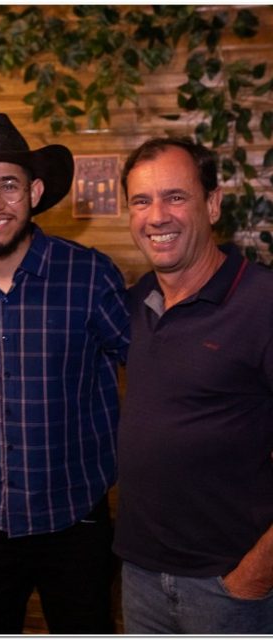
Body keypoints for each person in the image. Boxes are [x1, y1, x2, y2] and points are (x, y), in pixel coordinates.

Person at [0, 113, 130, 633]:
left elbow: (151, 371)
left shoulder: (89, 275)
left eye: (9, 185)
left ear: (34, 192)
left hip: (76, 520)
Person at [113, 136, 273, 633]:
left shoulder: (263, 303)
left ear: (213, 203)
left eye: (175, 197)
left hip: (230, 587)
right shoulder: (135, 303)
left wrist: (255, 575)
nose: (156, 216)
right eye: (141, 201)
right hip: (140, 577)